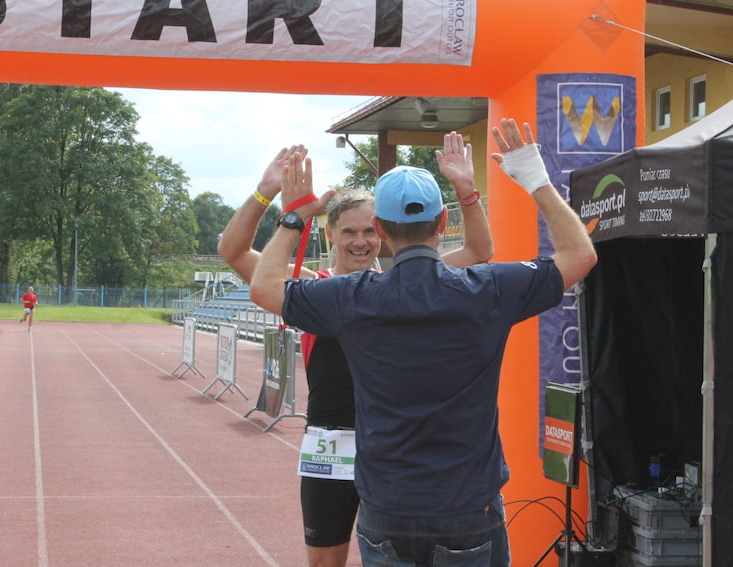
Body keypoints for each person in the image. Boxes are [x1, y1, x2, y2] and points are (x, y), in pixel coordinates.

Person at [248, 118, 597, 566]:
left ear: (379, 227)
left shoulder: (351, 297)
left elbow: (264, 287)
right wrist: (535, 179)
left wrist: (296, 214)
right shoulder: (486, 288)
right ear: (443, 220)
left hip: (387, 506)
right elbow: (580, 254)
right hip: (467, 504)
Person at [218, 133, 493, 567]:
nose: (360, 241)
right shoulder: (314, 288)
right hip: (332, 447)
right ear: (331, 233)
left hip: (397, 451)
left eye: (369, 230)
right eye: (349, 231)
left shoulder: (411, 287)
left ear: (382, 231)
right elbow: (231, 251)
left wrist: (466, 189)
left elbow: (479, 251)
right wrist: (264, 192)